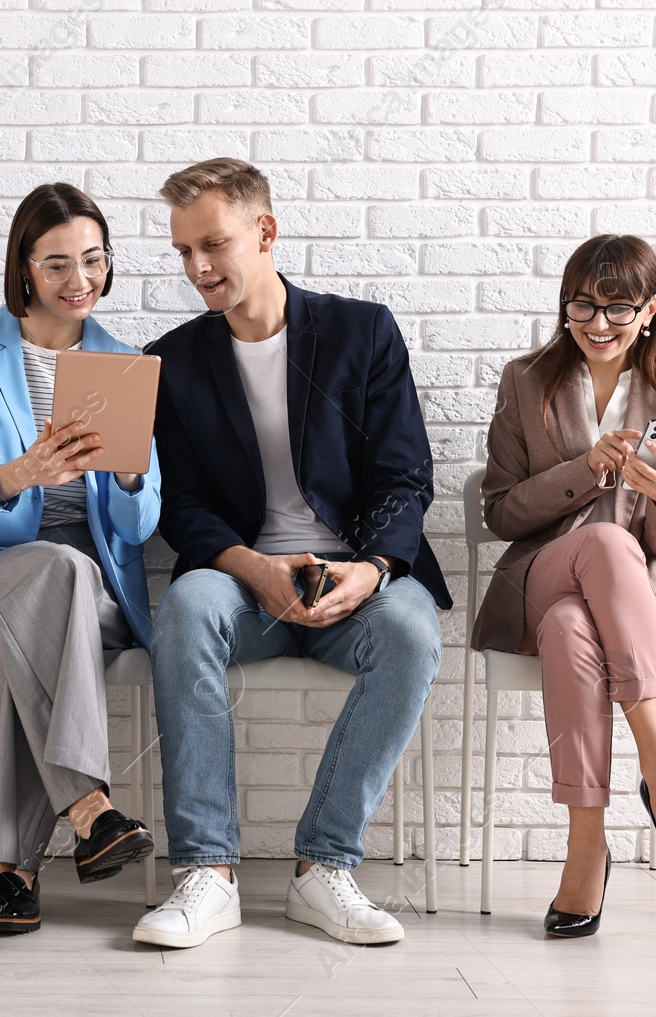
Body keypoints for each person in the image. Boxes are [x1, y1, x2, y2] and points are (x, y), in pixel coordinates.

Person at [134, 158, 451, 950]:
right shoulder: (169, 359)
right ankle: (208, 871)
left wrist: (371, 568)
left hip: (356, 573)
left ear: (265, 231)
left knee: (412, 632)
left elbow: (405, 473)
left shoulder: (361, 331)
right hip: (242, 579)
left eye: (213, 244)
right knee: (184, 611)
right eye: (182, 252)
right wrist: (251, 567)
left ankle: (323, 868)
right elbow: (185, 507)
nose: (197, 268)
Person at [0, 183, 161, 934]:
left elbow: (141, 524)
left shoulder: (124, 361)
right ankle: (89, 806)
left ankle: (16, 872)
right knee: (52, 571)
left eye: (92, 260)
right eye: (57, 265)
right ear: (23, 268)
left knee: (52, 599)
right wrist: (24, 472)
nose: (79, 281)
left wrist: (130, 471)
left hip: (96, 582)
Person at [474, 234, 656, 938]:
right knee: (597, 551)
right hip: (543, 570)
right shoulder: (526, 381)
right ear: (564, 306)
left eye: (618, 308)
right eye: (582, 304)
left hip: (643, 605)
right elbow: (500, 511)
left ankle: (585, 846)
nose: (598, 323)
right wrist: (587, 468)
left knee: (571, 625)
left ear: (650, 310)